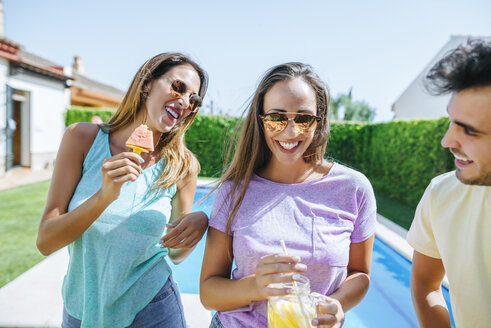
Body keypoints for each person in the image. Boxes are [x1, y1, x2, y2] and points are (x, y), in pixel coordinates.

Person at [36, 52, 209, 327]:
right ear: (147, 84)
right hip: (82, 310)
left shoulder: (183, 166)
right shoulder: (81, 139)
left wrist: (199, 224)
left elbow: (176, 255)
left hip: (154, 310)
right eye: (178, 87)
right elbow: (45, 241)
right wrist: (104, 197)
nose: (185, 101)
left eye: (194, 99)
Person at [200, 62, 376, 328]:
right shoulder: (233, 191)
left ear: (319, 120)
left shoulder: (354, 188)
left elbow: (360, 273)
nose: (290, 132)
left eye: (304, 119)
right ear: (261, 120)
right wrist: (256, 287)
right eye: (276, 118)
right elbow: (209, 293)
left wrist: (337, 304)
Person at [407, 39, 491, 328]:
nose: (447, 141)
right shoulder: (441, 194)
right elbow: (425, 284)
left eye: (468, 131)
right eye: (451, 122)